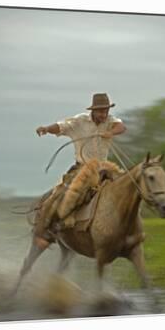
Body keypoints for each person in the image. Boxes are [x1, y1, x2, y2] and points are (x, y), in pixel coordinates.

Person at [33, 93, 127, 249]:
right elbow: (61, 126)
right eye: (101, 111)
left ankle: (124, 229)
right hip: (81, 168)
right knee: (60, 194)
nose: (104, 114)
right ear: (93, 111)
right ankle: (47, 231)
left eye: (106, 111)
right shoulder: (79, 121)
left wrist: (110, 132)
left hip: (104, 169)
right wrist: (46, 128)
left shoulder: (110, 121)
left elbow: (121, 126)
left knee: (124, 191)